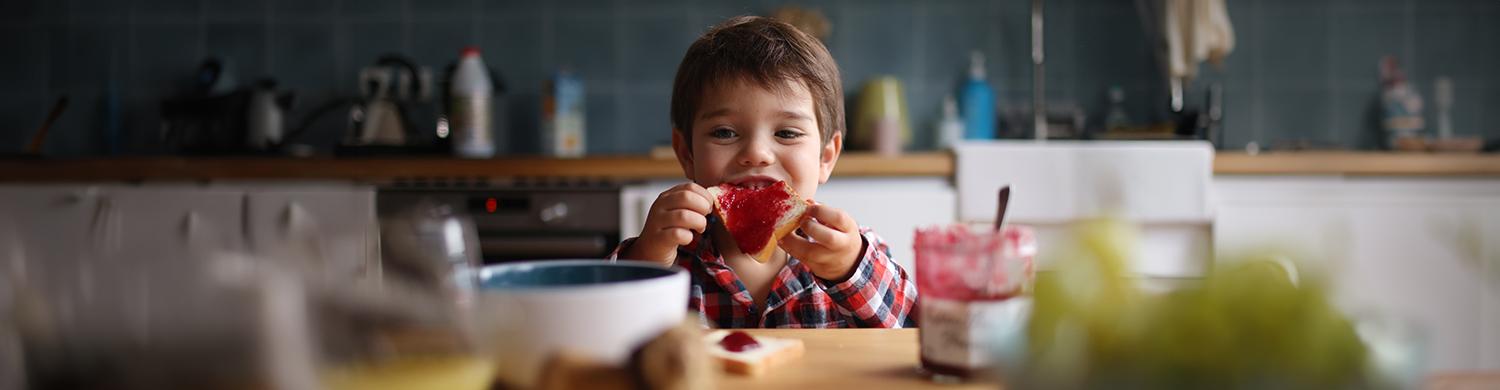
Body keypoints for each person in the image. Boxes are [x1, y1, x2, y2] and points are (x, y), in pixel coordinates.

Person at [610, 16, 916, 328]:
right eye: (725, 133)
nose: (756, 153)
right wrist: (646, 260)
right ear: (687, 153)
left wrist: (849, 270)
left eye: (786, 133)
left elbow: (910, 329)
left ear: (826, 157)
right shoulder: (669, 255)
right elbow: (607, 336)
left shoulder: (854, 253)